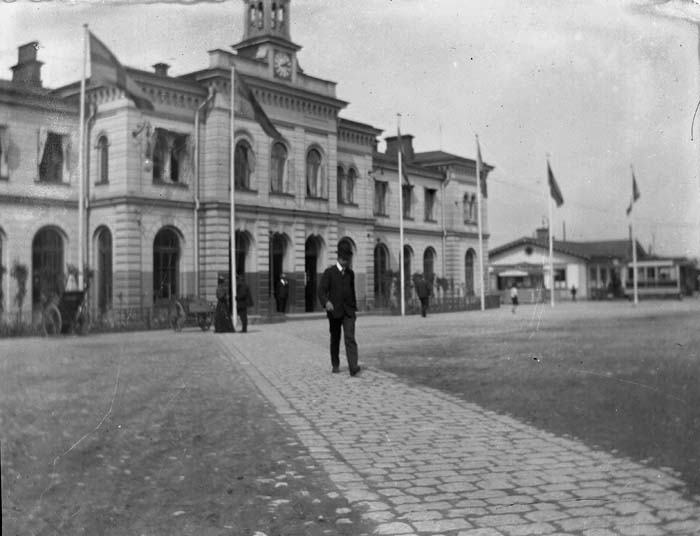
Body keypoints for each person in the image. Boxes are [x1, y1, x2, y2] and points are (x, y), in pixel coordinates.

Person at [318, 243, 360, 376]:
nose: (346, 262)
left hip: (348, 312)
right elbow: (321, 290)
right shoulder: (329, 273)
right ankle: (335, 364)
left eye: (348, 259)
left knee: (350, 338)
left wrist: (353, 309)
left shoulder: (350, 273)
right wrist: (326, 302)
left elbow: (352, 291)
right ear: (339, 258)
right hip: (334, 312)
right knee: (335, 338)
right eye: (344, 259)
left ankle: (353, 366)